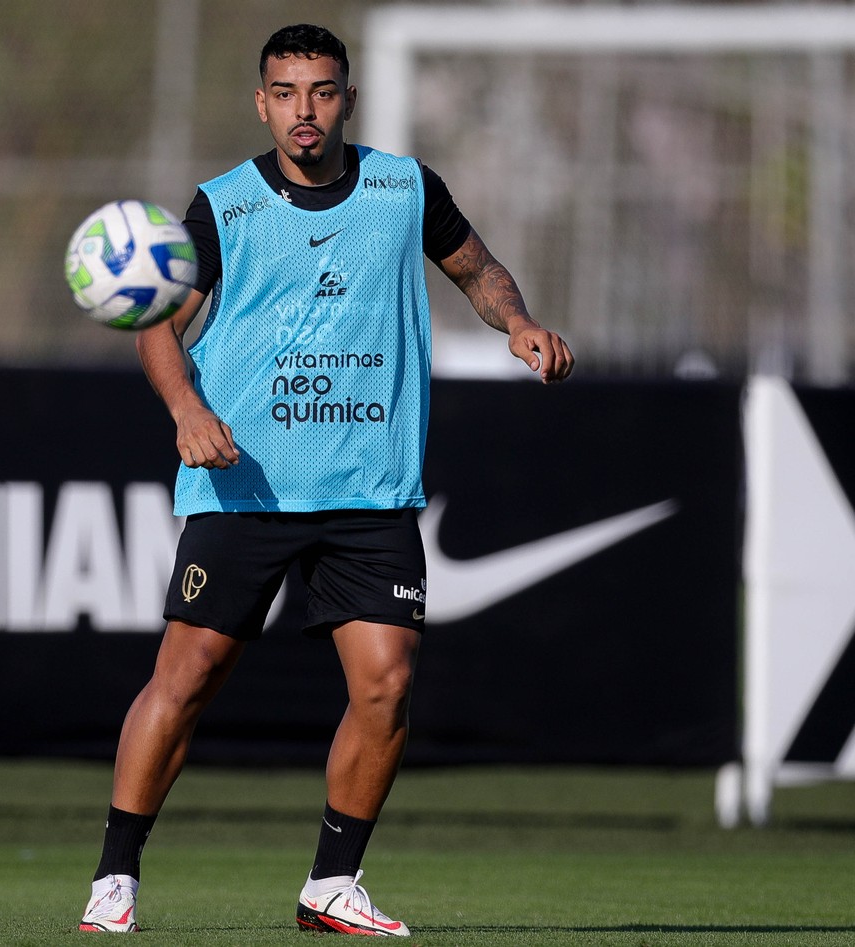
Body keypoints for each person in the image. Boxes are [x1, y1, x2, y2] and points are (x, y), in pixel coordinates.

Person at [78, 22, 573, 937]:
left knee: (386, 685)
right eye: (286, 93)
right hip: (246, 486)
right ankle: (115, 877)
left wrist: (517, 319)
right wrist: (187, 410)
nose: (305, 111)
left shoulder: (404, 188)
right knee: (185, 679)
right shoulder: (223, 206)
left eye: (323, 91)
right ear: (261, 102)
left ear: (348, 98)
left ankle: (332, 883)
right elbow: (158, 324)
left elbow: (476, 267)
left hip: (369, 488)